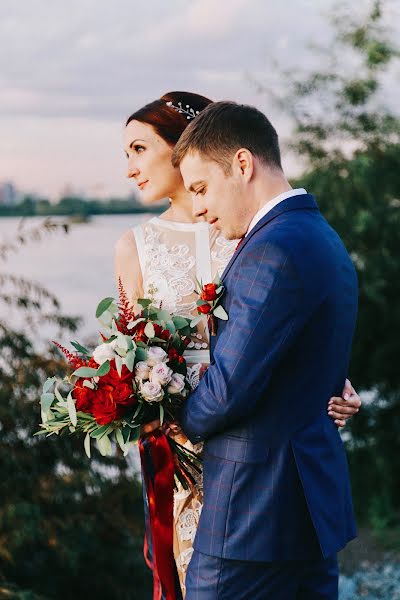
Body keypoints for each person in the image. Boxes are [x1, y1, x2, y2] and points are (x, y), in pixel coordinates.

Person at [115, 92, 361, 599]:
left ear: (241, 164)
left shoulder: (266, 247)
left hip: (246, 502)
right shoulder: (318, 235)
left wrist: (178, 421)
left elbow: (228, 388)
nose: (200, 204)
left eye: (202, 186)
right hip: (297, 495)